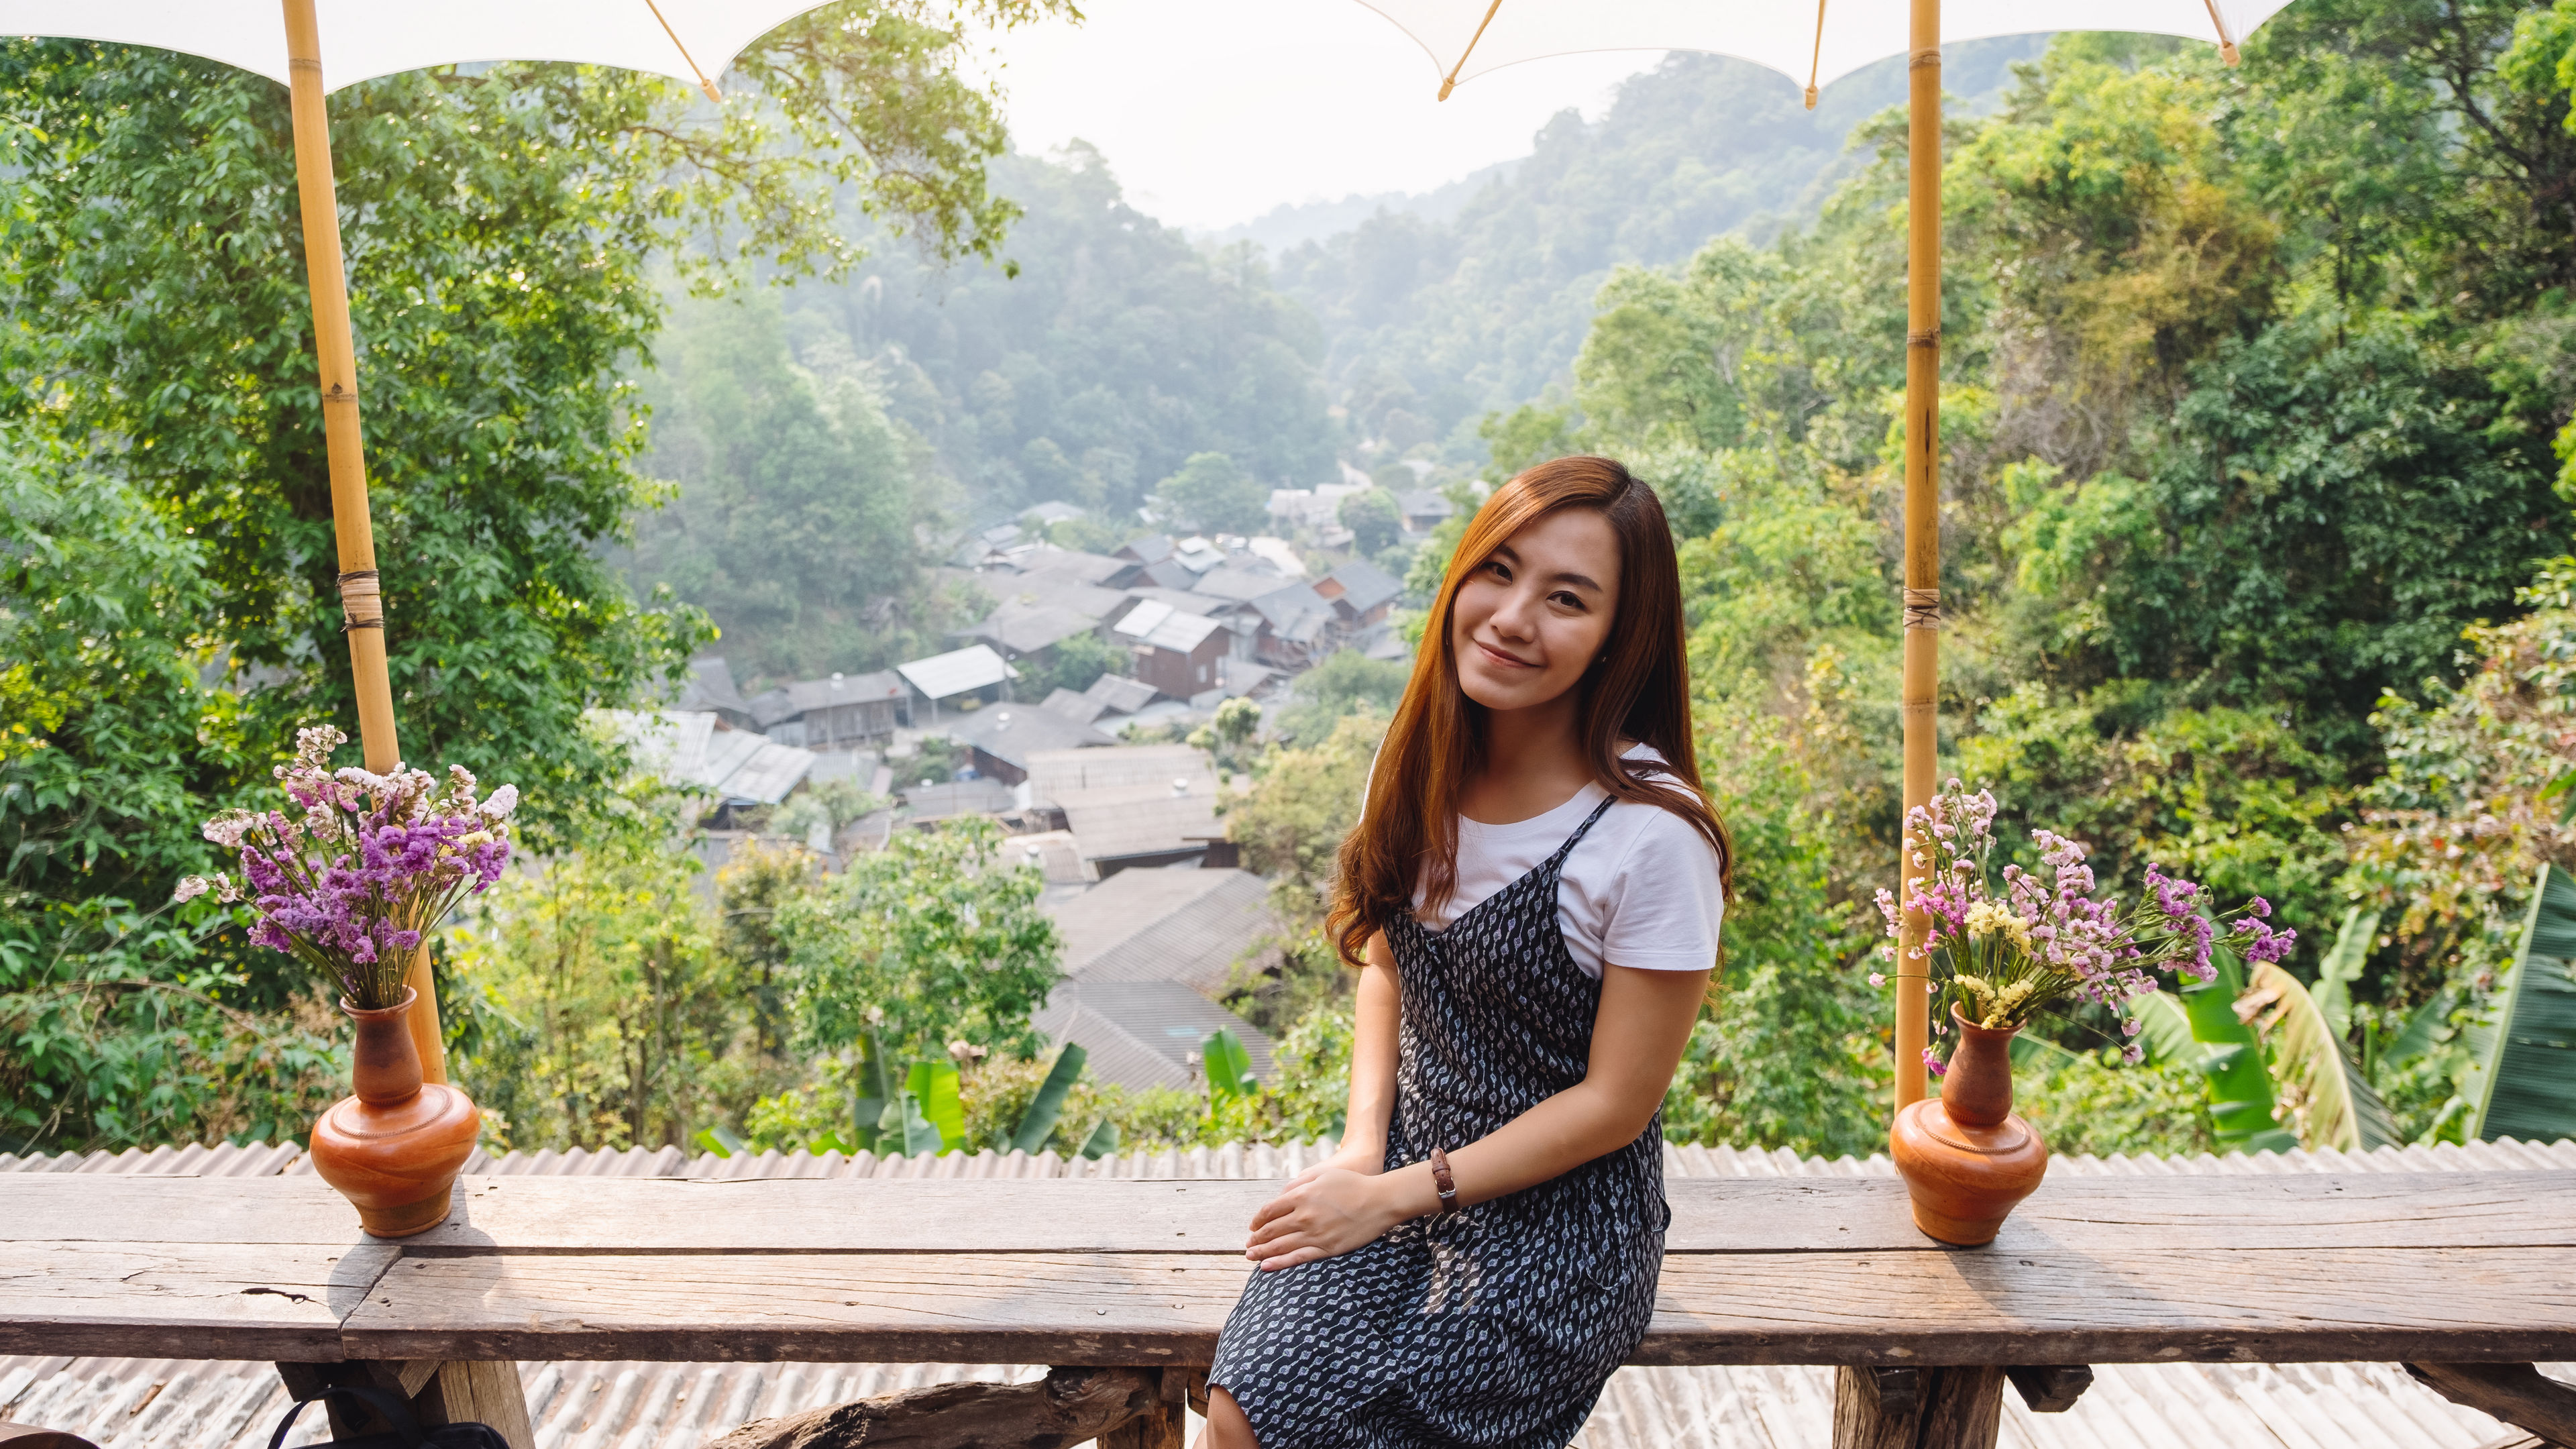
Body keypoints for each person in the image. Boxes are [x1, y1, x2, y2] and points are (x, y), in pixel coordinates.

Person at [1201, 456, 1733, 1449]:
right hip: (1401, 1169)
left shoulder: (1651, 835)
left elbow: (1617, 1104)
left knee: (1363, 1428)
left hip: (1564, 1224)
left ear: (1624, 637)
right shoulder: (1420, 765)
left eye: (1566, 598)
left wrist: (1401, 1195)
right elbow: (1387, 966)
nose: (1512, 617)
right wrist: (1365, 1155)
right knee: (1241, 1407)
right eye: (1499, 570)